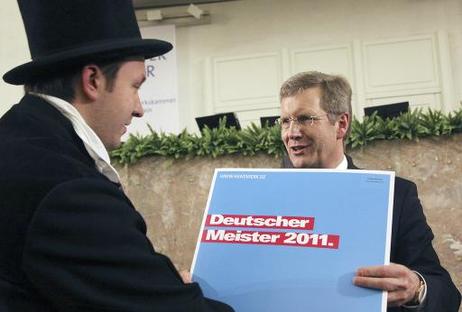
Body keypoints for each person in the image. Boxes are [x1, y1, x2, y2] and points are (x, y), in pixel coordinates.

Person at [0, 0, 233, 311]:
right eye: (135, 86)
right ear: (93, 81)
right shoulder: (69, 192)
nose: (139, 108)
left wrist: (150, 282)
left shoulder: (16, 140)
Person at [278, 71, 461, 311]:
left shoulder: (396, 195)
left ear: (341, 124)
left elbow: (445, 293)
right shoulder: (261, 197)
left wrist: (416, 288)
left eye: (305, 119)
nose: (291, 133)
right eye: (284, 121)